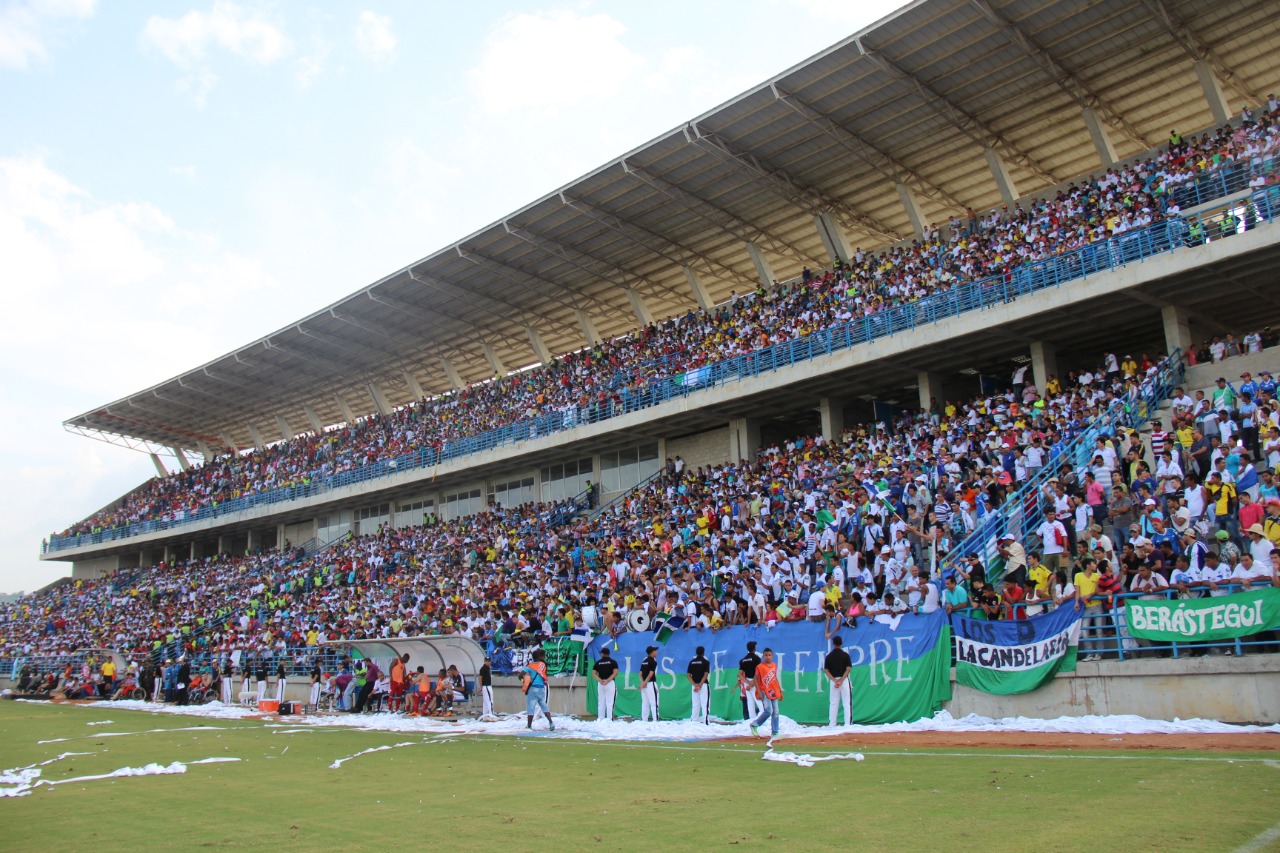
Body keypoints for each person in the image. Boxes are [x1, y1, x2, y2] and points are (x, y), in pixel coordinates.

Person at [749, 648, 784, 739]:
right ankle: (754, 724)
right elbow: (756, 679)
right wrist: (759, 691)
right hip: (764, 690)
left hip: (773, 690)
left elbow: (775, 678)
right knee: (768, 710)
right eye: (766, 655)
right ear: (763, 656)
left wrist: (780, 691)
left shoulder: (774, 665)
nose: (768, 657)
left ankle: (775, 732)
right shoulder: (759, 667)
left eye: (769, 655)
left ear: (772, 656)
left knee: (776, 712)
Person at [521, 648, 554, 731]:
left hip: (533, 688)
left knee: (531, 707)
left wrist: (524, 681)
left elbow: (520, 675)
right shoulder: (542, 665)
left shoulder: (529, 666)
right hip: (541, 688)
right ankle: (551, 723)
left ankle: (529, 725)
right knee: (544, 705)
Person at [824, 635, 852, 727]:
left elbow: (826, 670)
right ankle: (847, 723)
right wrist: (841, 680)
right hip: (843, 680)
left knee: (833, 702)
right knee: (846, 702)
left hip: (834, 681)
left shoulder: (829, 656)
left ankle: (832, 724)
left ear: (833, 644)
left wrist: (835, 680)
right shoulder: (846, 655)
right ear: (841, 643)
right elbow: (848, 669)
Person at [737, 640, 762, 722]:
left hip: (746, 682)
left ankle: (752, 721)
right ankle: (762, 720)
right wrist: (752, 683)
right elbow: (758, 672)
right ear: (754, 648)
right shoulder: (756, 658)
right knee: (759, 701)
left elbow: (740, 674)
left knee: (750, 703)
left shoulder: (743, 660)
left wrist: (747, 682)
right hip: (755, 682)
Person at [592, 647, 618, 722]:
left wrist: (600, 680)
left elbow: (593, 673)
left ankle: (600, 718)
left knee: (601, 702)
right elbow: (615, 673)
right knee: (610, 702)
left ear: (602, 654)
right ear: (609, 654)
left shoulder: (598, 662)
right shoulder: (613, 662)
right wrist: (608, 680)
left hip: (601, 684)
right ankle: (609, 719)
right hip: (610, 683)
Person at [687, 645, 711, 724]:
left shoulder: (691, 662)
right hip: (703, 685)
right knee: (705, 704)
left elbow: (688, 675)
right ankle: (706, 721)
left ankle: (694, 721)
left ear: (696, 653)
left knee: (695, 704)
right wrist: (700, 685)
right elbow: (706, 674)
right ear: (703, 652)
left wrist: (695, 685)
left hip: (694, 686)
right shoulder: (705, 662)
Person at [639, 645, 660, 722]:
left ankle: (644, 720)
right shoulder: (653, 661)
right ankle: (655, 721)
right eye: (655, 650)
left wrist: (642, 684)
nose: (656, 652)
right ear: (652, 652)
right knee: (654, 703)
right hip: (650, 684)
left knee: (645, 704)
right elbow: (651, 674)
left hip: (644, 686)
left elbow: (640, 674)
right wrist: (645, 683)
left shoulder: (644, 661)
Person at [478, 655, 495, 720]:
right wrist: (481, 686)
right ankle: (491, 714)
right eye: (487, 661)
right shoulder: (483, 668)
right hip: (486, 686)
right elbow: (480, 677)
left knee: (485, 701)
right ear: (485, 661)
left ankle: (485, 715)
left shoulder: (488, 668)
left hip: (487, 686)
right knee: (489, 700)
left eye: (489, 661)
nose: (488, 662)